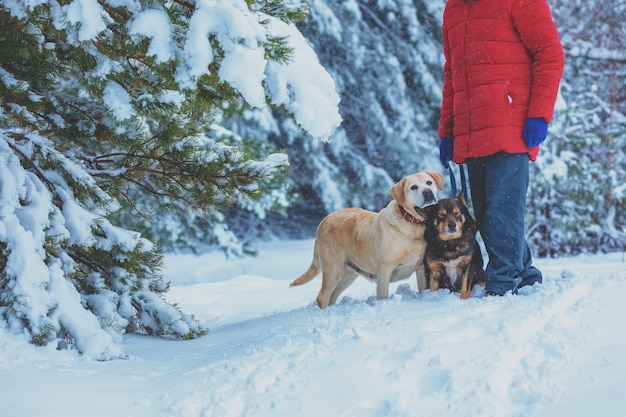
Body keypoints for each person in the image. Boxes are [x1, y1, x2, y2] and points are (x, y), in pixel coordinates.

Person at [438, 0, 565, 296]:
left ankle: (503, 283)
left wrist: (539, 113)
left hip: (511, 124)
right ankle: (524, 274)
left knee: (501, 211)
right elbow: (452, 74)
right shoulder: (453, 8)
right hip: (471, 130)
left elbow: (551, 55)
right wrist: (448, 130)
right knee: (483, 214)